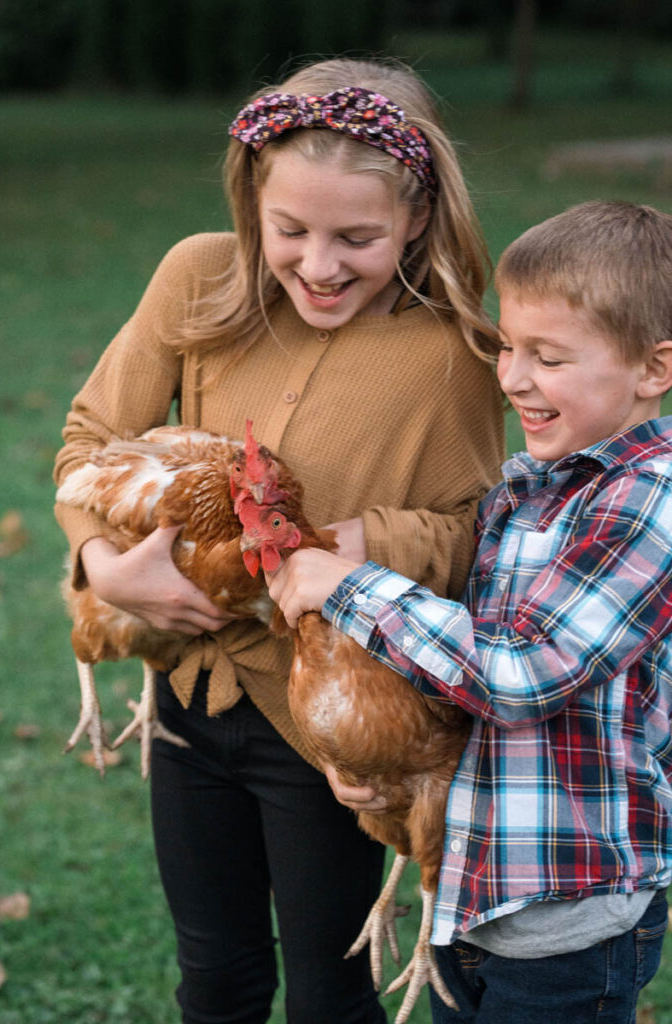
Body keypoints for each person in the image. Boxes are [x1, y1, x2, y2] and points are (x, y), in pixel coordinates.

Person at [53, 58, 504, 1024]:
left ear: (418, 219)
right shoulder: (199, 279)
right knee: (213, 975)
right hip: (189, 697)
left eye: (357, 237)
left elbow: (477, 532)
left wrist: (349, 543)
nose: (319, 264)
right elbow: (89, 440)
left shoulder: (451, 353)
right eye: (289, 230)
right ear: (252, 201)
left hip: (331, 725)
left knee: (330, 989)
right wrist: (104, 566)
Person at [266, 200, 672, 1024]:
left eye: (549, 358)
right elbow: (457, 674)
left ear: (653, 369)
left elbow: (519, 674)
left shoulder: (646, 505)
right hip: (474, 891)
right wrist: (389, 770)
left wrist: (347, 585)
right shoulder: (523, 493)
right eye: (506, 348)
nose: (513, 378)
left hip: (569, 916)